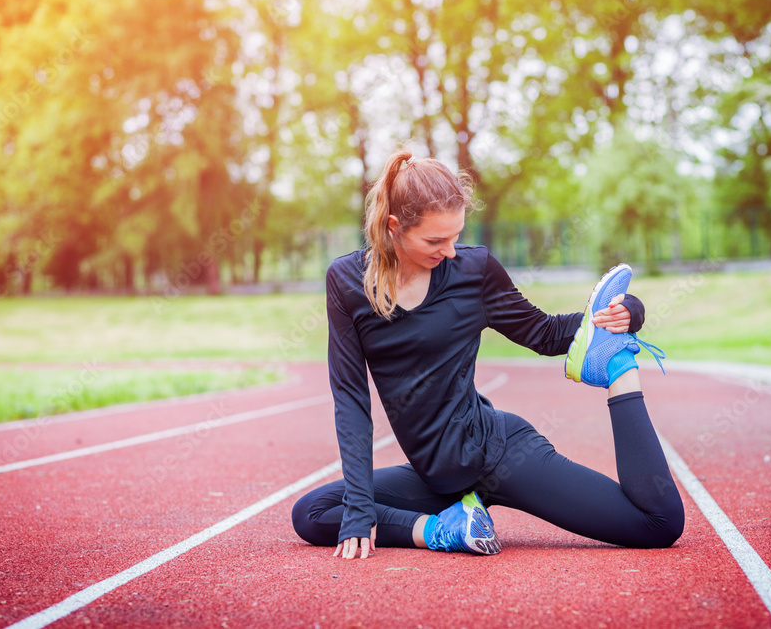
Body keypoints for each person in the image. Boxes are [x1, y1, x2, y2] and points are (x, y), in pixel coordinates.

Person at [291, 150, 684, 560]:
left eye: (455, 236)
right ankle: (445, 528)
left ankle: (617, 364)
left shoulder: (473, 272)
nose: (450, 251)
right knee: (316, 512)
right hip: (434, 480)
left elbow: (545, 333)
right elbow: (351, 398)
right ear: (395, 227)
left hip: (498, 455)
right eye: (435, 240)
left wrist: (623, 315)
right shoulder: (347, 282)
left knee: (658, 524)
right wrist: (360, 511)